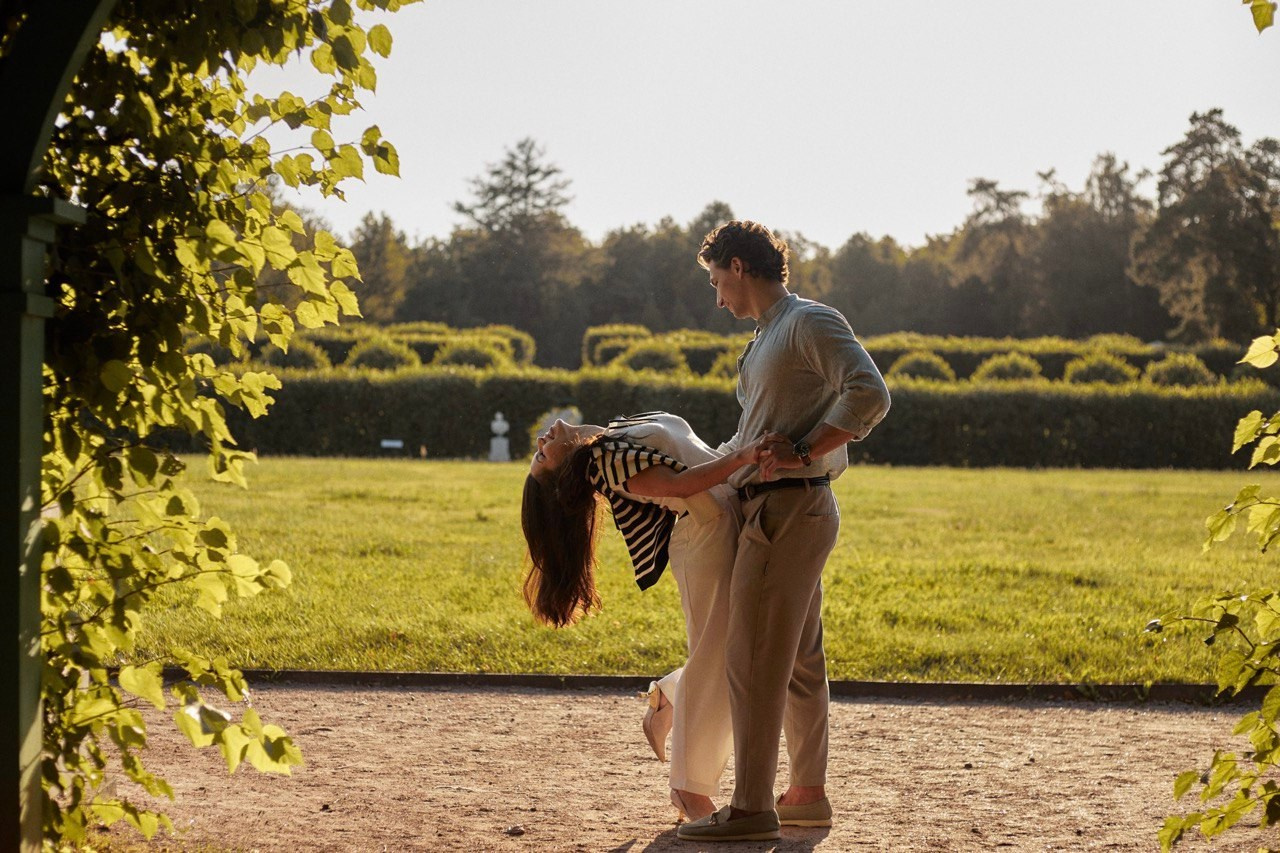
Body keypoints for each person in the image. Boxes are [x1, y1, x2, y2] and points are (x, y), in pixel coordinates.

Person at [677, 221, 891, 843]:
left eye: (716, 281)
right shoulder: (767, 337)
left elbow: (870, 392)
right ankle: (805, 794)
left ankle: (750, 807)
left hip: (787, 512)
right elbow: (752, 436)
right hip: (779, 510)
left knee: (750, 659)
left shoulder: (807, 322)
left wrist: (802, 450)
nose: (717, 297)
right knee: (797, 660)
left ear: (739, 267)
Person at [521, 411, 782, 821]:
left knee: (731, 655)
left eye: (538, 450)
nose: (541, 441)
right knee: (717, 666)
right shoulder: (605, 462)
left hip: (728, 524)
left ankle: (669, 697)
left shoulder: (610, 435)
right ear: (563, 474)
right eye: (542, 456)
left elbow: (693, 454)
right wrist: (744, 456)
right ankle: (688, 790)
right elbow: (680, 485)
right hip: (706, 540)